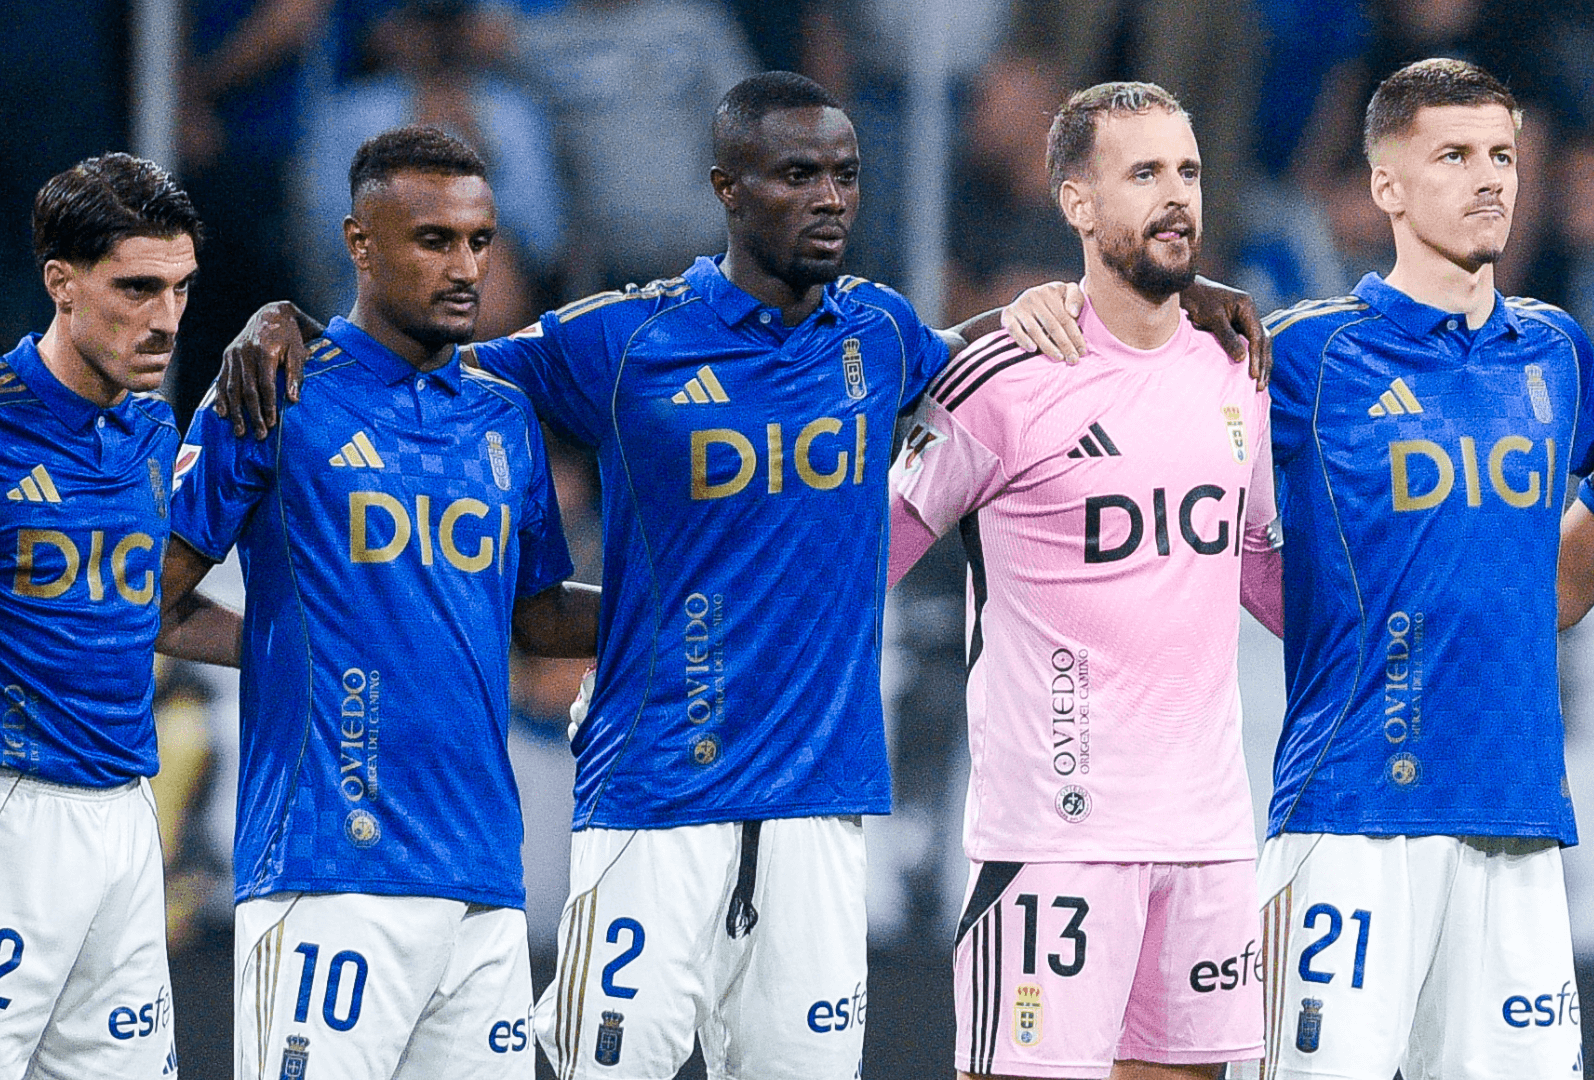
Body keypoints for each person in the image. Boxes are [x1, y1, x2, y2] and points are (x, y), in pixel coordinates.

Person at [216, 73, 1271, 1079]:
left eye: (844, 175)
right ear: (727, 188)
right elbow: (428, 358)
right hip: (654, 793)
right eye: (797, 175)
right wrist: (287, 326)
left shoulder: (880, 332)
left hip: (820, 799)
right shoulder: (626, 338)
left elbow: (1019, 342)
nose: (830, 199)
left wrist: (1186, 290)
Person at [165, 126, 598, 1080]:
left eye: (479, 241)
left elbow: (534, 617)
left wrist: (676, 605)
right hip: (327, 871)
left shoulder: (502, 414)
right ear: (359, 243)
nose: (466, 267)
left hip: (484, 883)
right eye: (434, 240)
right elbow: (149, 598)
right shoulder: (275, 387)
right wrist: (281, 645)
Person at [889, 81, 1279, 1080]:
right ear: (1076, 202)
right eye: (1143, 172)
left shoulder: (1238, 370)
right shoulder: (1004, 377)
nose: (1176, 194)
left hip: (1207, 837)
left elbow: (1267, 577)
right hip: (1053, 842)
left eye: (1188, 171)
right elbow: (864, 558)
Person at [1257, 58, 1594, 1078]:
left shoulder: (1557, 349)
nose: (1489, 178)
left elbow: (1559, 585)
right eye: (1453, 155)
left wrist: (1541, 590)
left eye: (1502, 155)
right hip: (1352, 814)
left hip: (1517, 816)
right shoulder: (1306, 354)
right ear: (1386, 185)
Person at [0, 152, 240, 1078]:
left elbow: (145, 606)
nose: (167, 317)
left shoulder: (152, 429)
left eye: (180, 288)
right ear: (62, 282)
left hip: (126, 821)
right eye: (137, 287)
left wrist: (300, 646)